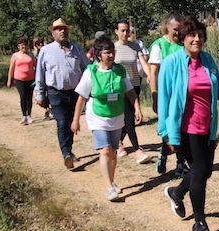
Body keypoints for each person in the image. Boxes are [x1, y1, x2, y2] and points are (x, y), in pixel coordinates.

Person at [158, 15, 219, 231]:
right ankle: (200, 223)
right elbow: (164, 99)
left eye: (200, 35)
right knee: (199, 171)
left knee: (204, 171)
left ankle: (176, 193)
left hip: (207, 129)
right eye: (191, 35)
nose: (196, 39)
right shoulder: (172, 62)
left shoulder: (208, 60)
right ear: (182, 38)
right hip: (184, 129)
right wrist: (166, 132)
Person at [71, 36, 141, 201]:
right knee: (105, 150)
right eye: (107, 53)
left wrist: (137, 108)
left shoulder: (119, 70)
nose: (111, 55)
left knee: (114, 152)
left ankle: (112, 180)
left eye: (112, 52)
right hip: (97, 116)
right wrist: (75, 120)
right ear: (99, 55)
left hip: (116, 116)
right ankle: (109, 187)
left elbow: (129, 91)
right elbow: (81, 98)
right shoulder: (91, 72)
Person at [34, 18, 88, 170]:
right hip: (55, 93)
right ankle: (65, 153)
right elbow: (40, 74)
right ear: (53, 33)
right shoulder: (46, 51)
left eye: (64, 29)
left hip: (75, 93)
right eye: (59, 29)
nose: (62, 31)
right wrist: (40, 94)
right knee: (62, 122)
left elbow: (87, 68)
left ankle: (69, 150)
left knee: (72, 123)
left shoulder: (76, 49)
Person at [148, 11, 188, 176]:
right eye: (175, 29)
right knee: (170, 127)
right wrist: (155, 95)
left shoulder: (184, 45)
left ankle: (180, 163)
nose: (178, 33)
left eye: (180, 29)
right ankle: (165, 155)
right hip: (167, 93)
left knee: (182, 128)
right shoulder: (159, 45)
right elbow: (153, 73)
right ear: (167, 27)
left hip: (183, 93)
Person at [111, 21, 154, 164]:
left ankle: (118, 142)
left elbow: (143, 63)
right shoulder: (113, 48)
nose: (125, 33)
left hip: (134, 85)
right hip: (120, 87)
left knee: (127, 118)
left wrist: (150, 76)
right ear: (116, 31)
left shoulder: (135, 46)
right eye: (122, 30)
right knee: (129, 117)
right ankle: (137, 150)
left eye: (127, 30)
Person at [6, 36, 37, 124]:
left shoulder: (31, 55)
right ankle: (24, 116)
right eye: (22, 45)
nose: (24, 47)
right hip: (19, 79)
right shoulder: (15, 56)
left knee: (29, 97)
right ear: (18, 46)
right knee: (23, 96)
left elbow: (36, 66)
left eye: (25, 45)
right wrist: (9, 80)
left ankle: (29, 115)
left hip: (31, 79)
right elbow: (11, 69)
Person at [32, 36, 52, 120]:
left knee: (49, 93)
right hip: (36, 76)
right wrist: (36, 53)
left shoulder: (47, 52)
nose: (40, 45)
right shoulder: (33, 54)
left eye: (41, 43)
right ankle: (46, 109)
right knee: (40, 94)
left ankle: (50, 109)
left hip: (47, 76)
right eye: (37, 43)